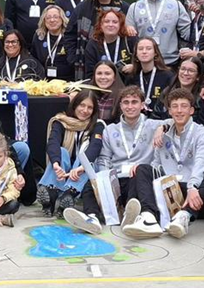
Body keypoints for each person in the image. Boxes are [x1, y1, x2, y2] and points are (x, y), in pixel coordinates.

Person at [63, 86, 169, 235]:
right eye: (126, 102)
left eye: (134, 102)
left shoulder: (153, 125)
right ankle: (92, 218)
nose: (130, 106)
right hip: (118, 179)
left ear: (142, 105)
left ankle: (131, 216)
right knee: (91, 184)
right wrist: (106, 178)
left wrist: (163, 127)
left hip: (139, 179)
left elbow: (175, 120)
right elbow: (104, 158)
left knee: (138, 176)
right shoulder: (110, 130)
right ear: (120, 105)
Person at [121, 88, 204, 239]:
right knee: (142, 168)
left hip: (196, 197)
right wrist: (144, 169)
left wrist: (193, 187)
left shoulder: (202, 134)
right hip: (170, 193)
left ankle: (185, 216)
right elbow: (156, 163)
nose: (179, 110)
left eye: (184, 106)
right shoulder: (164, 133)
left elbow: (202, 164)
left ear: (191, 110)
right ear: (169, 111)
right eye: (175, 106)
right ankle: (148, 217)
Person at [38, 90, 105, 217]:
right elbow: (53, 142)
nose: (85, 110)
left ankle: (69, 194)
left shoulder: (97, 125)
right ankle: (50, 194)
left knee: (85, 158)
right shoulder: (61, 121)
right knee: (61, 152)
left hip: (82, 169)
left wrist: (81, 168)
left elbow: (95, 147)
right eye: (82, 105)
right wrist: (56, 165)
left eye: (90, 107)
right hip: (64, 167)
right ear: (75, 105)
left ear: (94, 110)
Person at [63, 0, 129, 80]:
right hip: (88, 64)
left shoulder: (125, 8)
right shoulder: (81, 9)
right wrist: (73, 58)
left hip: (120, 63)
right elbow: (69, 35)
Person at [126, 0, 192, 67]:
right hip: (144, 65)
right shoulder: (134, 8)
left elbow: (189, 34)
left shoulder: (176, 6)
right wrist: (127, 29)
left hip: (170, 63)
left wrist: (201, 16)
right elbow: (128, 38)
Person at [84, 8, 136, 80]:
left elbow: (144, 63)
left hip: (127, 87)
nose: (110, 25)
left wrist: (135, 67)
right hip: (103, 86)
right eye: (106, 21)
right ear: (101, 25)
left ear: (120, 25)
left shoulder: (129, 40)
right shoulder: (93, 44)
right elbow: (90, 74)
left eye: (115, 22)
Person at [128, 38, 174, 117]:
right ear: (136, 54)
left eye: (148, 48)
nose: (144, 51)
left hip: (160, 119)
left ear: (155, 53)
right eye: (140, 49)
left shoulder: (167, 76)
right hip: (136, 120)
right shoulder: (131, 77)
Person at [30, 5, 74, 81]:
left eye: (55, 17)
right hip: (44, 82)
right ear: (44, 20)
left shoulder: (70, 36)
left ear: (62, 19)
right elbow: (34, 59)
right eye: (48, 18)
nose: (52, 20)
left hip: (67, 81)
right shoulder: (39, 36)